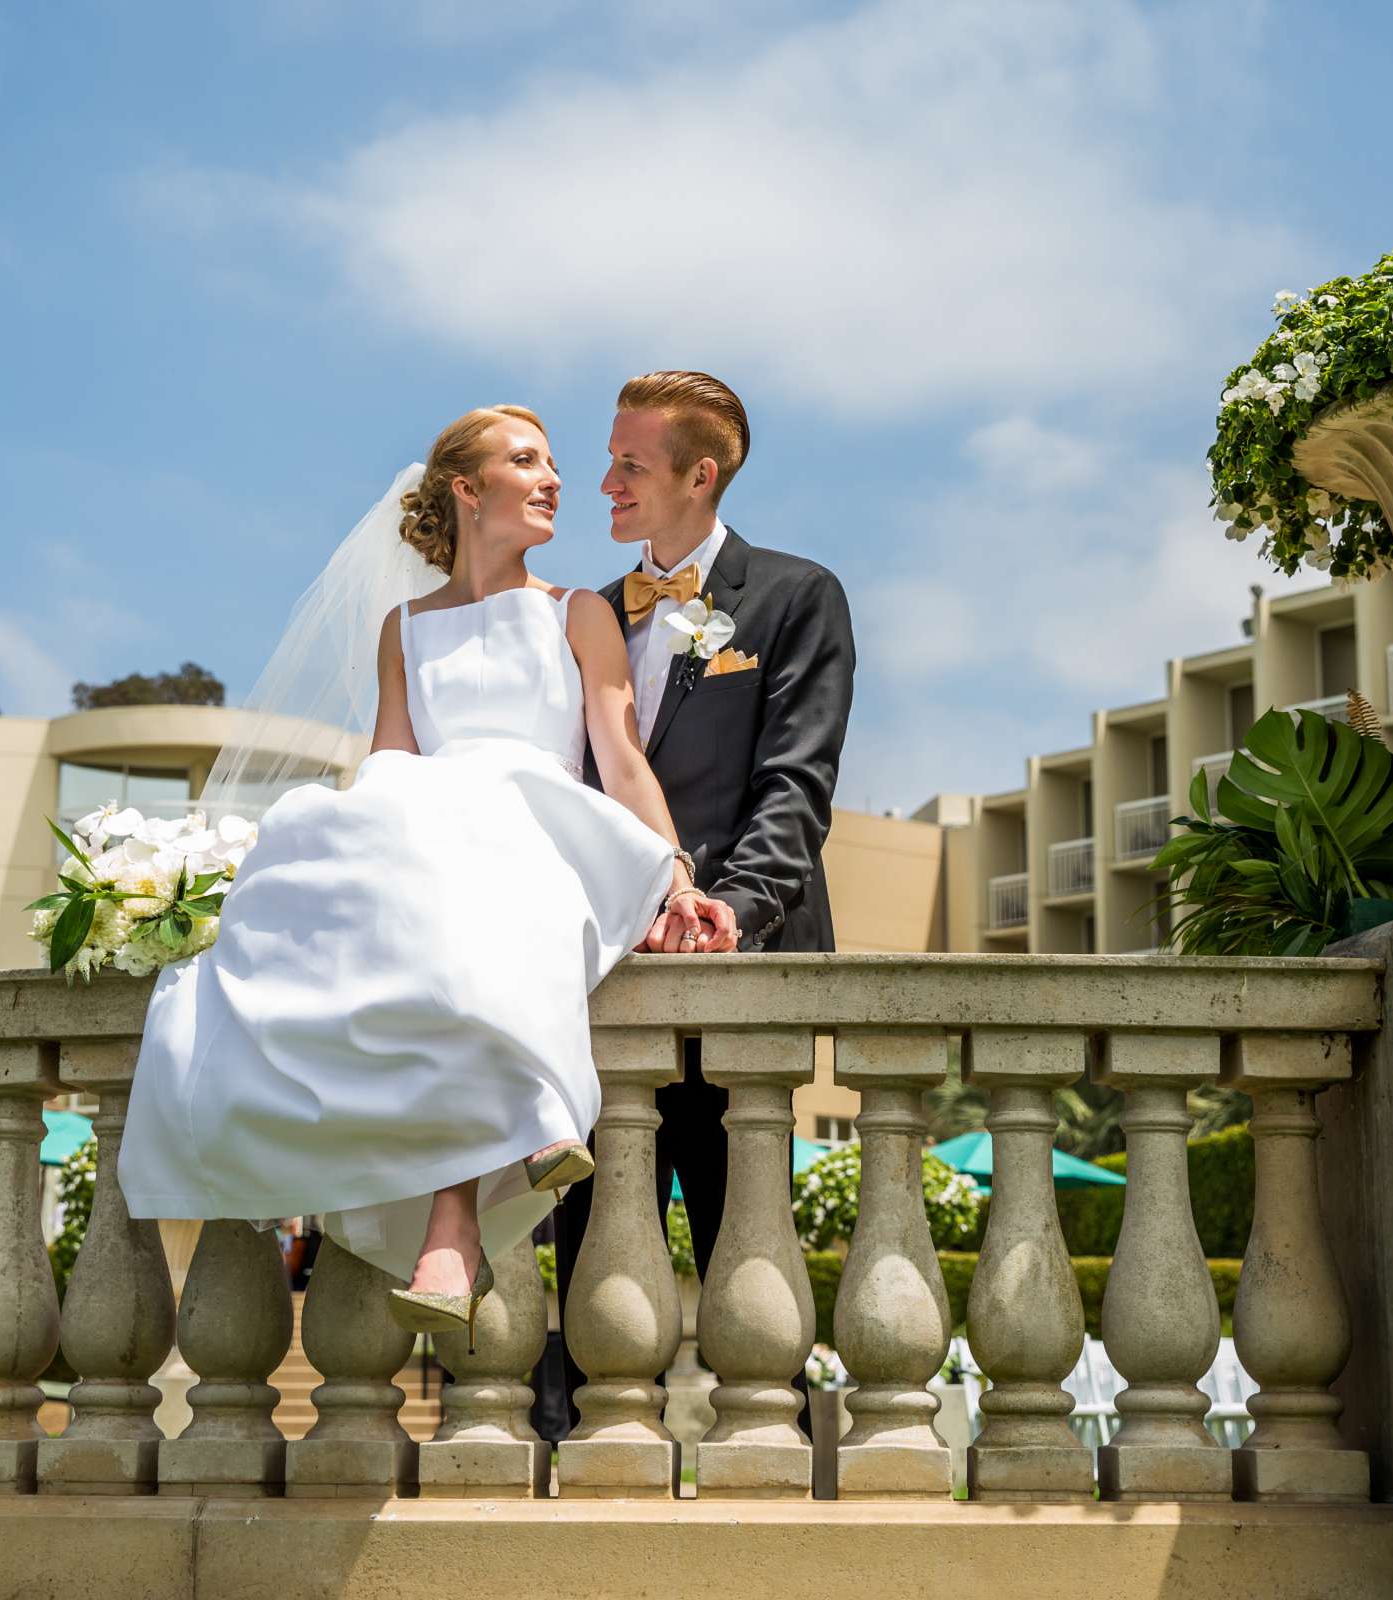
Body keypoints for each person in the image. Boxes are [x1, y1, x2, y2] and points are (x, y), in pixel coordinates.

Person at [118, 406, 734, 1345]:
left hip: (543, 829)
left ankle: (504, 1150)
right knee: (405, 886)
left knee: (482, 871)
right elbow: (390, 764)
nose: (554, 479)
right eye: (526, 461)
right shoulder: (402, 627)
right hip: (445, 838)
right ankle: (469, 1199)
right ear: (465, 487)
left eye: (554, 463)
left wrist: (677, 874)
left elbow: (618, 752)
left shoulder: (579, 611)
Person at [556, 371, 854, 1408]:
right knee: (584, 1266)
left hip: (741, 985)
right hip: (602, 987)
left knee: (750, 1263)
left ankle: (788, 1486)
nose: (603, 482)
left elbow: (795, 785)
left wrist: (734, 907)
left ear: (701, 474)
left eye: (629, 465)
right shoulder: (583, 613)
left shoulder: (796, 595)